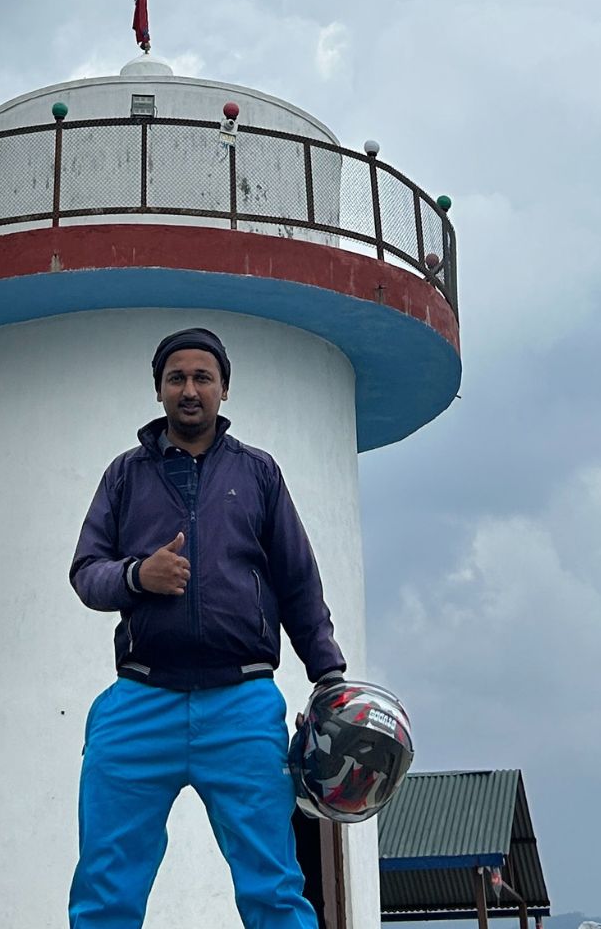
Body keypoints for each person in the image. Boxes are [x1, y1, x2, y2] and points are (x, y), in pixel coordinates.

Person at [68, 326, 347, 929]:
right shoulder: (124, 475)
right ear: (159, 390)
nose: (189, 390)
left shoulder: (260, 473)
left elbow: (299, 582)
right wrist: (140, 575)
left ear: (224, 388)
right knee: (104, 886)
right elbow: (86, 573)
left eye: (202, 377)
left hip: (243, 706)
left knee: (273, 885)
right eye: (176, 378)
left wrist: (329, 676)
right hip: (140, 702)